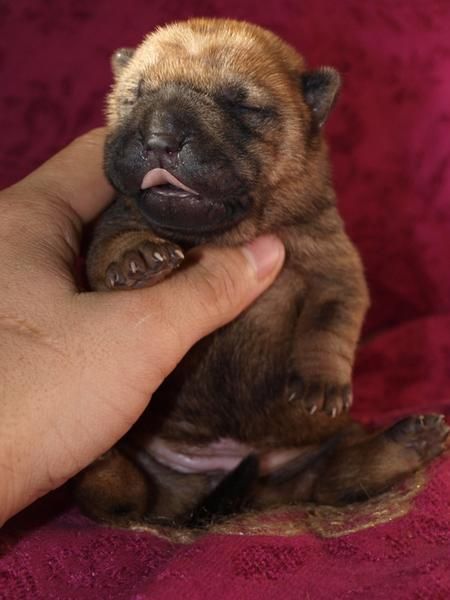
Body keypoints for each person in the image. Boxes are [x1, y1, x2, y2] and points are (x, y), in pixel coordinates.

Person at [0, 129, 284, 526]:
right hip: (156, 448)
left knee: (329, 456)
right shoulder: (135, 194)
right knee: (121, 485)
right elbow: (108, 251)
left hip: (284, 433)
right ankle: (109, 480)